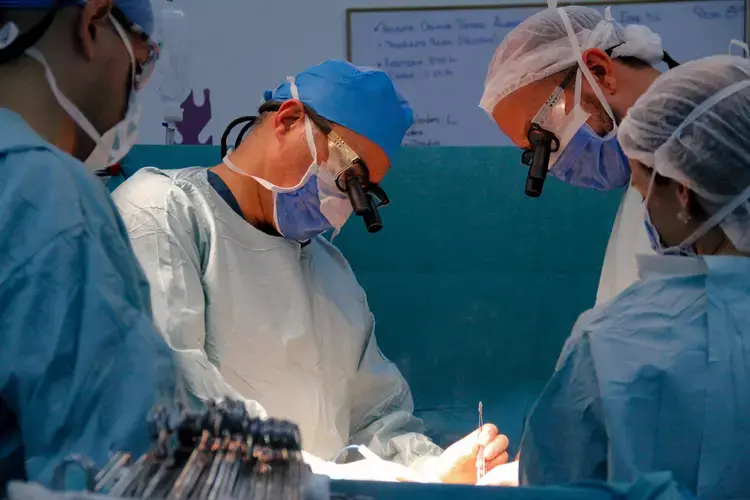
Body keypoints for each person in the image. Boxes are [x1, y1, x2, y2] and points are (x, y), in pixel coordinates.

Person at [112, 59, 509, 483]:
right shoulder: (160, 211)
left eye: (363, 190)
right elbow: (178, 393)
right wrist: (304, 475)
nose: (344, 202)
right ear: (288, 119)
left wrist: (432, 470)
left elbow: (376, 419)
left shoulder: (329, 269)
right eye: (347, 177)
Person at [515, 54, 750, 498]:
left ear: (682, 192)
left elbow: (556, 485)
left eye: (643, 192)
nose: (645, 213)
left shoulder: (615, 344)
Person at [0, 0, 177, 490]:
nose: (134, 92)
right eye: (139, 64)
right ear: (92, 20)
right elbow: (114, 469)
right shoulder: (43, 193)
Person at [479, 5, 679, 305]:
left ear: (598, 71)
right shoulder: (650, 173)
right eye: (534, 153)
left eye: (542, 137)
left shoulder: (714, 155)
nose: (550, 163)